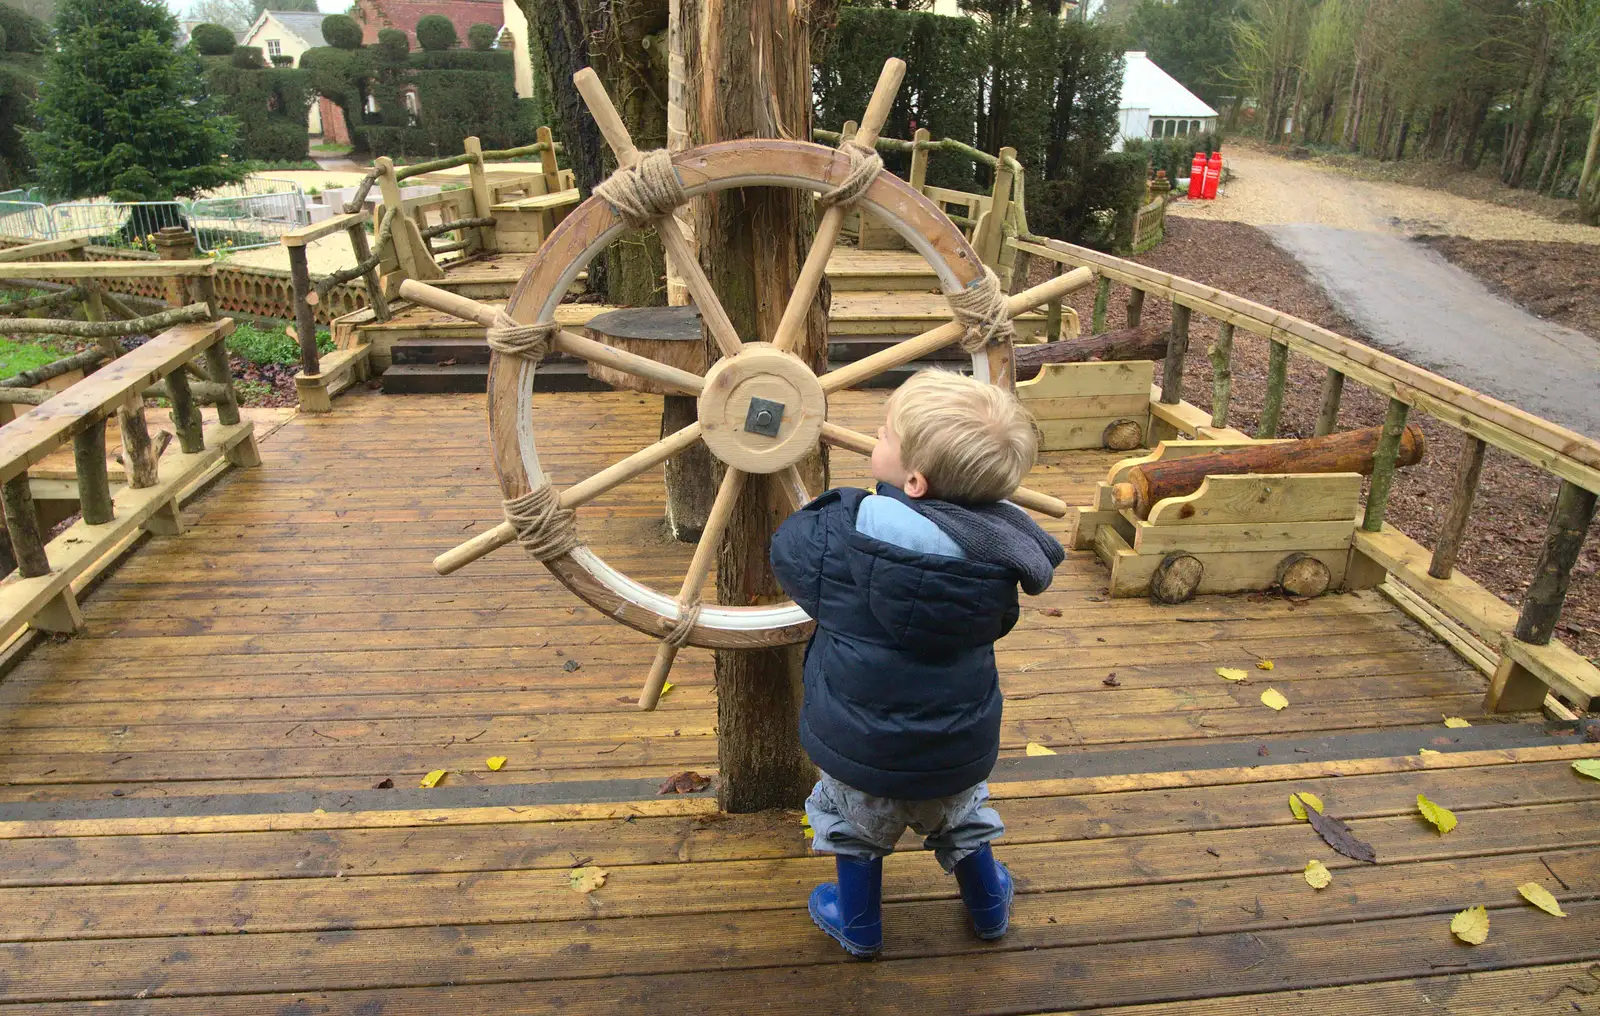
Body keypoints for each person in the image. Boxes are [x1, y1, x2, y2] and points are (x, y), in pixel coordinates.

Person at [769, 369, 1065, 959]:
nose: (872, 438)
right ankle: (987, 908)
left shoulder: (845, 540)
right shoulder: (996, 560)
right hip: (955, 748)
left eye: (883, 435)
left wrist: (846, 503)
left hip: (862, 749)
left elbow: (789, 551)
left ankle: (858, 925)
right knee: (961, 820)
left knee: (853, 831)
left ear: (914, 480)